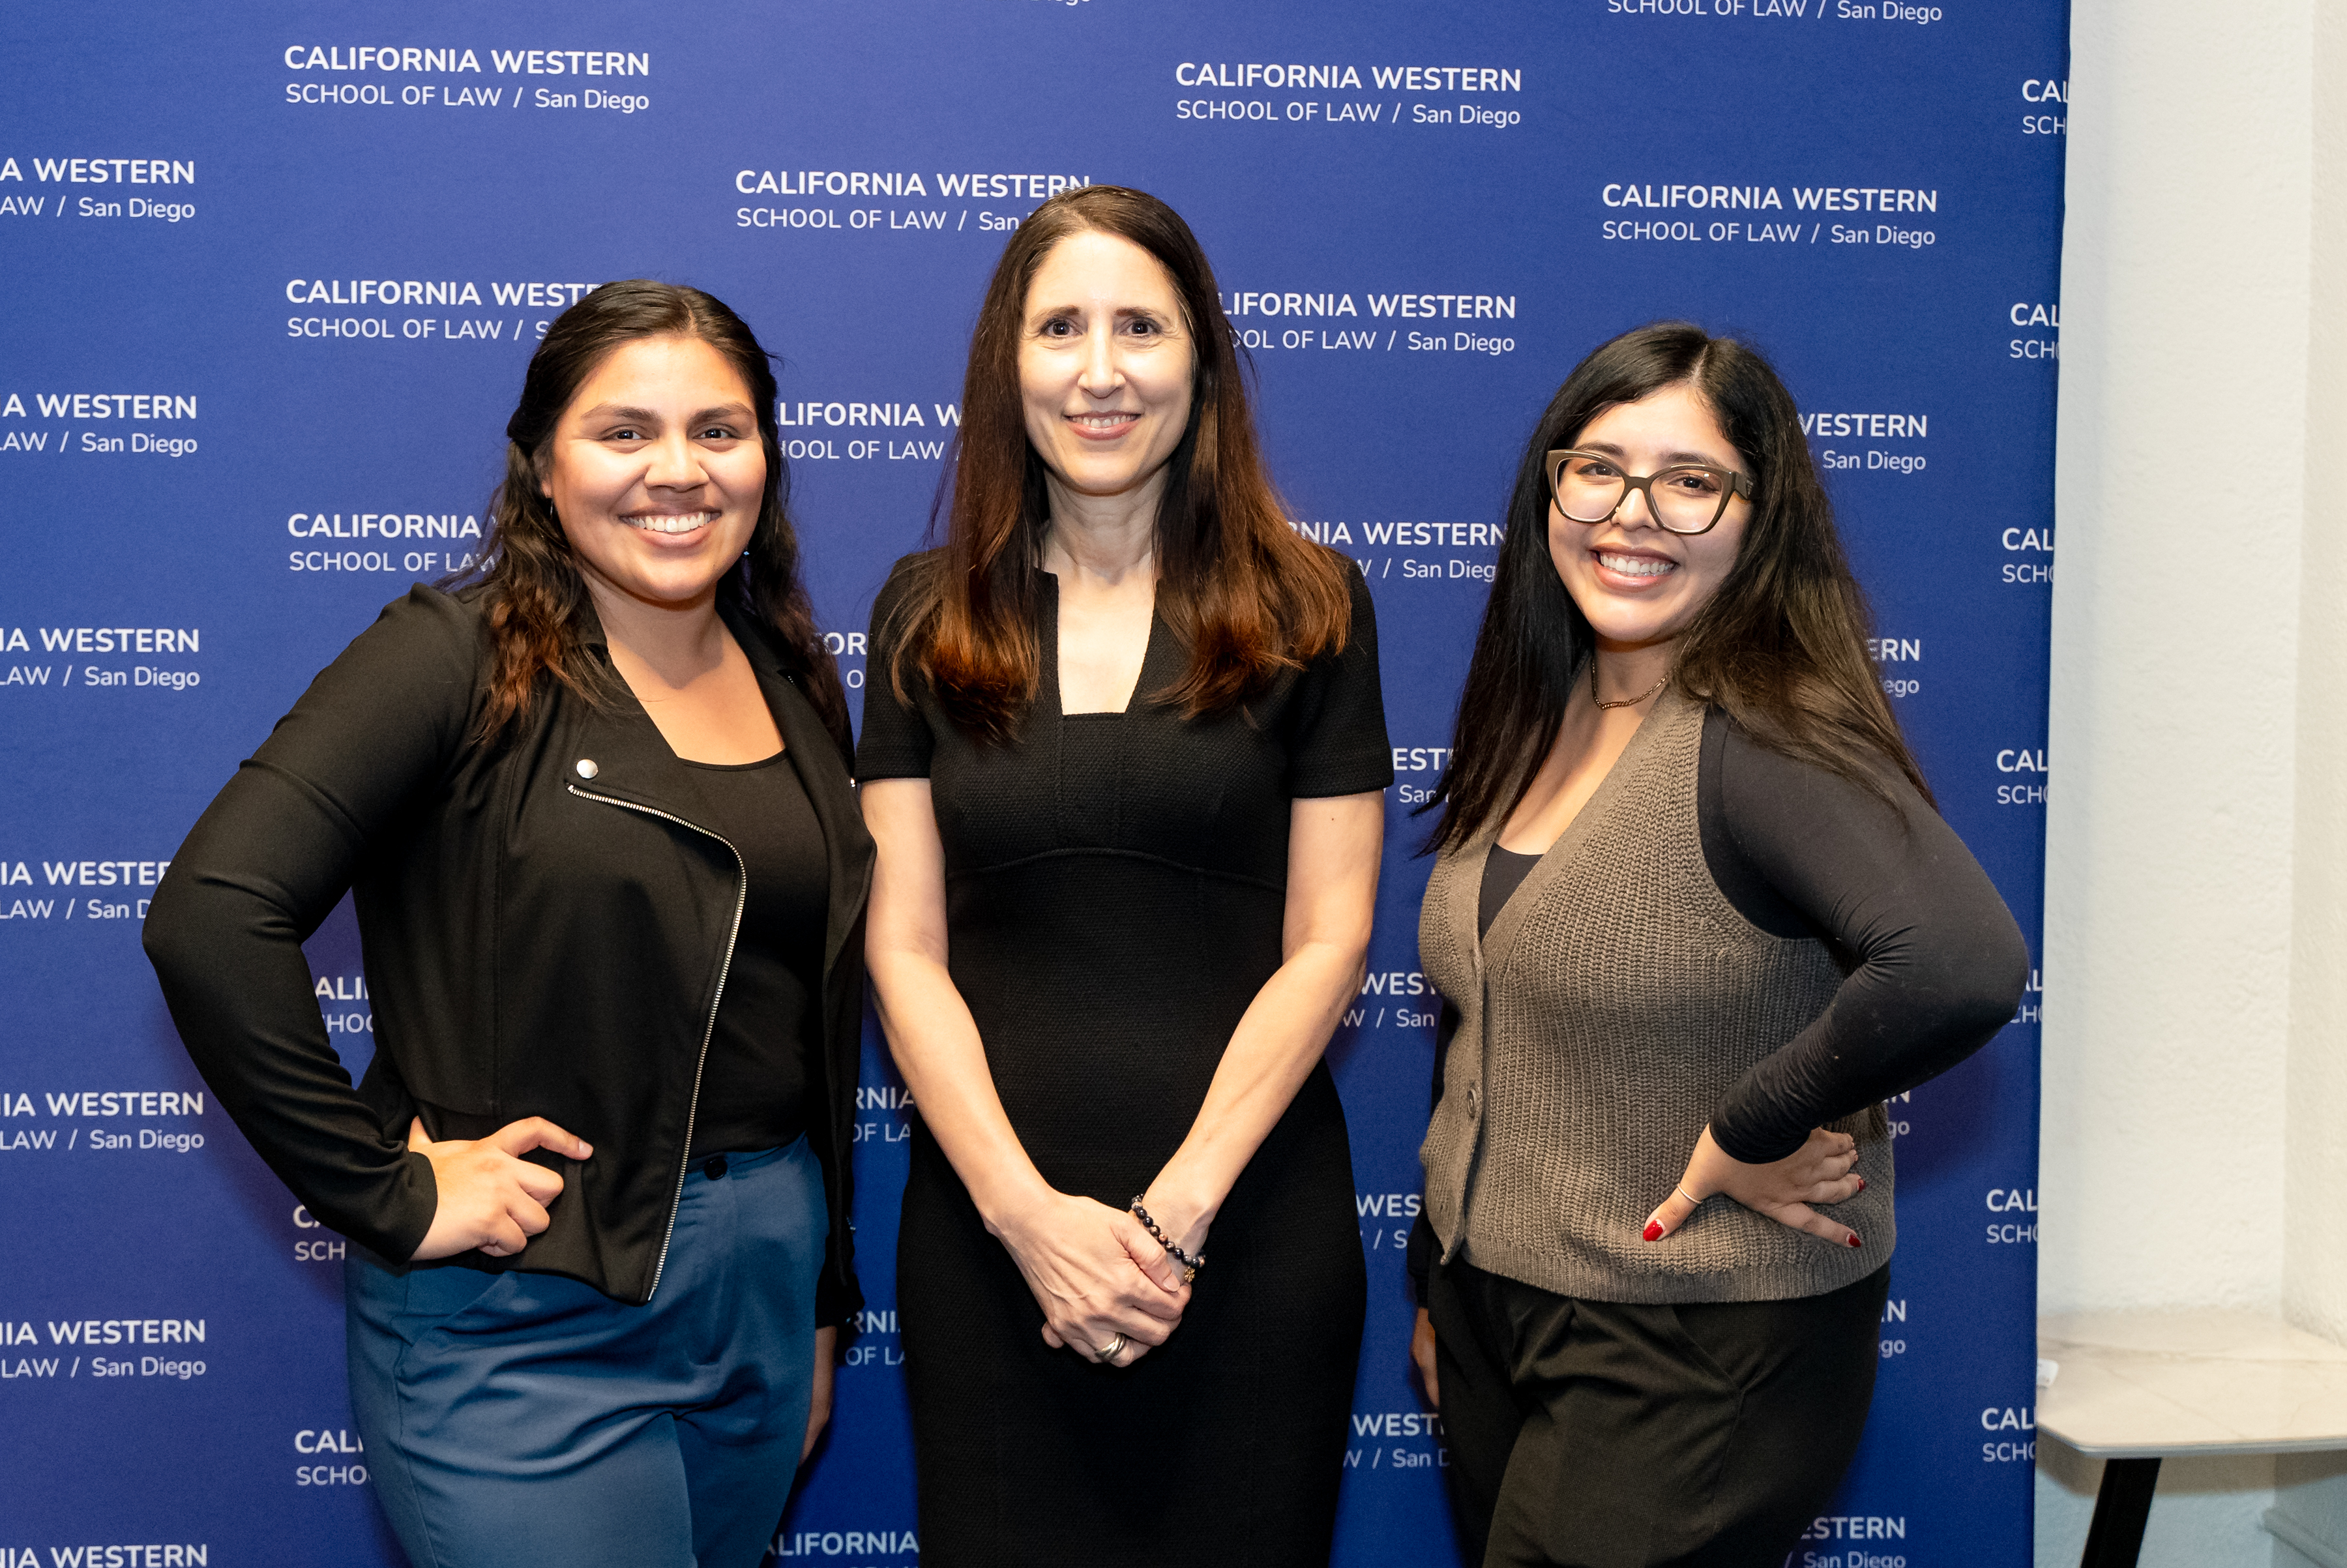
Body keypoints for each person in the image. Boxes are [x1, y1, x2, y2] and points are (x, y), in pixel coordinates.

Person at [142, 281, 872, 1568]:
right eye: (623, 432)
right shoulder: (454, 654)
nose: (678, 470)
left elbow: (804, 1018)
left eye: (720, 430)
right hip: (526, 1315)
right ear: (541, 466)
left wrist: (814, 1301)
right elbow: (212, 913)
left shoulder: (792, 676)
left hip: (758, 1306)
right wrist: (386, 1186)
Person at [1404, 322, 2029, 1566]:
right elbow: (1488, 1018)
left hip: (1693, 1342)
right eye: (1598, 467)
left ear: (1759, 516)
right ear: (1550, 487)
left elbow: (1959, 960)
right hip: (1504, 1316)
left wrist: (1748, 1121)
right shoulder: (1541, 711)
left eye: (1691, 481)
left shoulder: (1763, 732)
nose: (1632, 513)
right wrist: (1443, 1278)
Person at [857, 185, 1392, 1566]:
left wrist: (1171, 1221)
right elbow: (902, 947)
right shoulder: (923, 617)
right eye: (1061, 328)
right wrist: (1026, 1217)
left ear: (1203, 361)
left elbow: (1331, 938)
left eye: (1141, 327)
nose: (1101, 371)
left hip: (1248, 1240)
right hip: (989, 1247)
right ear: (1008, 365)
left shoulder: (1313, 608)